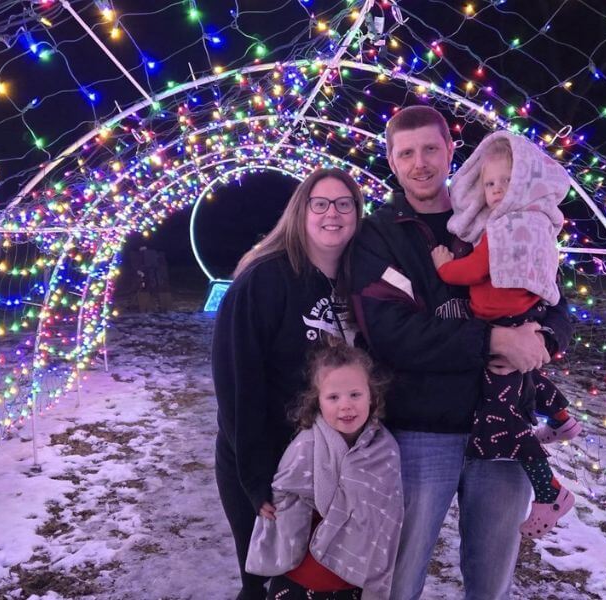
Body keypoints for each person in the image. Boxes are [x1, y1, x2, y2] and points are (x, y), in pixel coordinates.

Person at [349, 105, 574, 599]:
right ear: (390, 159)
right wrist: (494, 340)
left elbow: (555, 299)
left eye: (431, 148)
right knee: (397, 576)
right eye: (406, 153)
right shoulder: (378, 235)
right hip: (420, 430)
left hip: (504, 428)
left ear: (452, 151)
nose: (420, 162)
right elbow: (392, 334)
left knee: (490, 580)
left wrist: (543, 340)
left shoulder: (502, 214)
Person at [212, 168, 365, 600]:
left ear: (357, 212)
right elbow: (237, 387)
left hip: (337, 465)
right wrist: (256, 476)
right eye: (320, 203)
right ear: (301, 212)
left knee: (325, 582)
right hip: (271, 462)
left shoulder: (362, 282)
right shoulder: (262, 281)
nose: (331, 214)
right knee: (267, 582)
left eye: (343, 203)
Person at [430, 131, 581, 538]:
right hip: (523, 319)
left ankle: (550, 491)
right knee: (522, 377)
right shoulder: (540, 226)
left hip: (504, 322)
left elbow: (471, 272)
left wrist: (443, 265)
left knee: (503, 417)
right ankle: (562, 418)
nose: (495, 191)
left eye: (505, 183)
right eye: (489, 183)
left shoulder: (501, 229)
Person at [245, 342, 403, 600]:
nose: (346, 406)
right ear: (317, 401)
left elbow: (387, 518)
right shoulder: (306, 446)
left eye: (355, 394)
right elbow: (283, 500)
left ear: (372, 395)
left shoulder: (384, 451)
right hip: (300, 579)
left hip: (350, 581)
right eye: (333, 397)